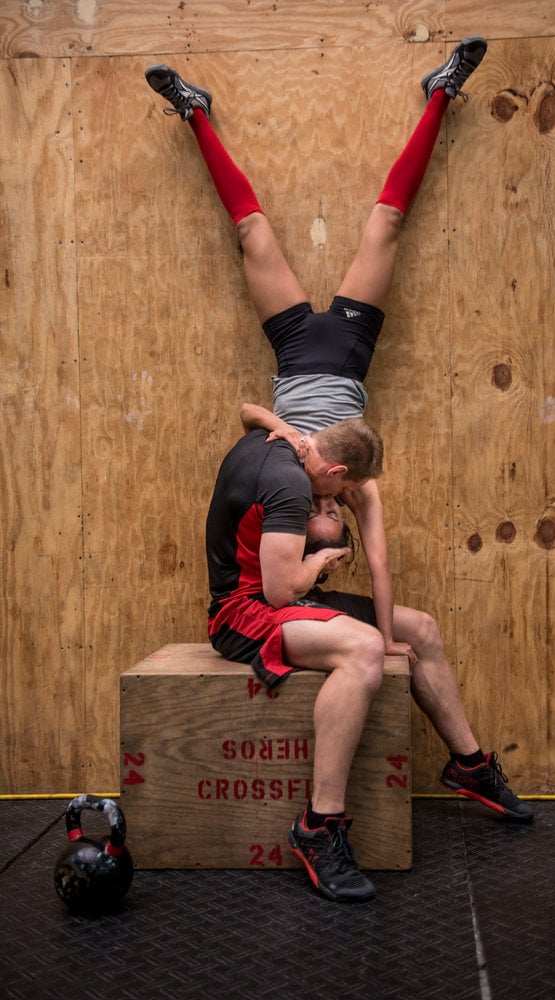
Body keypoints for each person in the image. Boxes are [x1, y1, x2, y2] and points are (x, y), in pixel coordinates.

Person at [145, 39, 534, 905]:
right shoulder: (297, 476)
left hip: (298, 354)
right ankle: (198, 112)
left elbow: (374, 550)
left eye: (328, 513)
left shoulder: (338, 480)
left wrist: (393, 630)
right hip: (338, 352)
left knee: (419, 634)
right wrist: (301, 470)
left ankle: (468, 765)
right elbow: (289, 576)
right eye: (327, 516)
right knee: (271, 228)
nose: (330, 517)